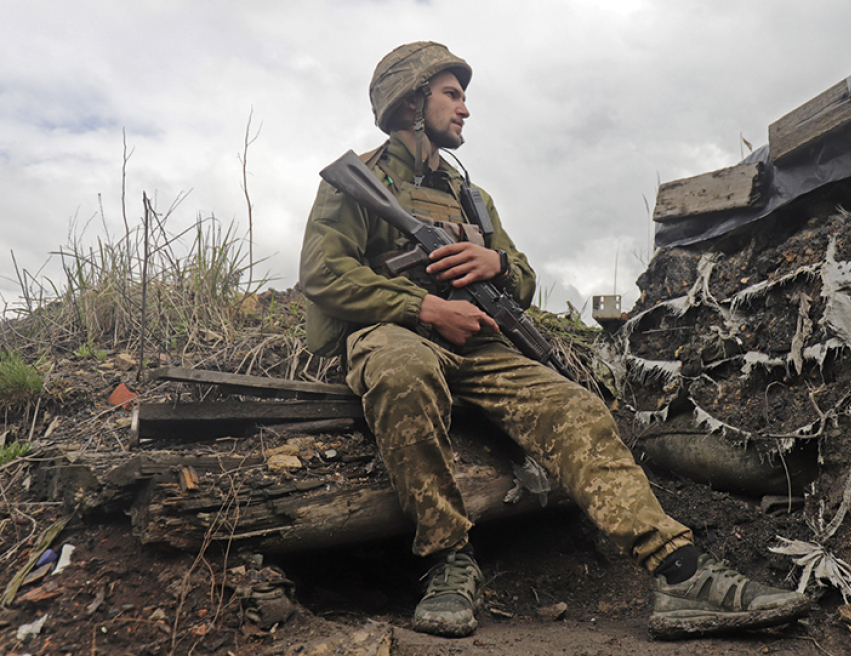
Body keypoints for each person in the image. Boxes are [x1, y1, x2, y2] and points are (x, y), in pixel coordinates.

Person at [299, 41, 811, 640]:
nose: (465, 109)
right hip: (395, 335)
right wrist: (425, 306)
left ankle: (680, 572)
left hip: (479, 345)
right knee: (402, 369)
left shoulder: (471, 196)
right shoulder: (358, 181)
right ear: (411, 100)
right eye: (452, 94)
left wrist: (494, 263)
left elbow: (524, 278)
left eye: (465, 97)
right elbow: (323, 272)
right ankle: (447, 562)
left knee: (575, 406)